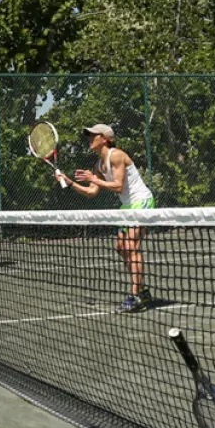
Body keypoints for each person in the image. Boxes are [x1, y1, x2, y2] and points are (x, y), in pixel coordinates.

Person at [61, 124, 156, 313]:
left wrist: (95, 179)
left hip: (141, 201)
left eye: (93, 135)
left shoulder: (117, 155)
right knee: (120, 248)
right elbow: (91, 192)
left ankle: (136, 296)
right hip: (127, 207)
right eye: (88, 135)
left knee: (131, 247)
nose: (89, 138)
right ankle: (143, 290)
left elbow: (118, 186)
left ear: (105, 138)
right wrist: (69, 182)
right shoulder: (98, 165)